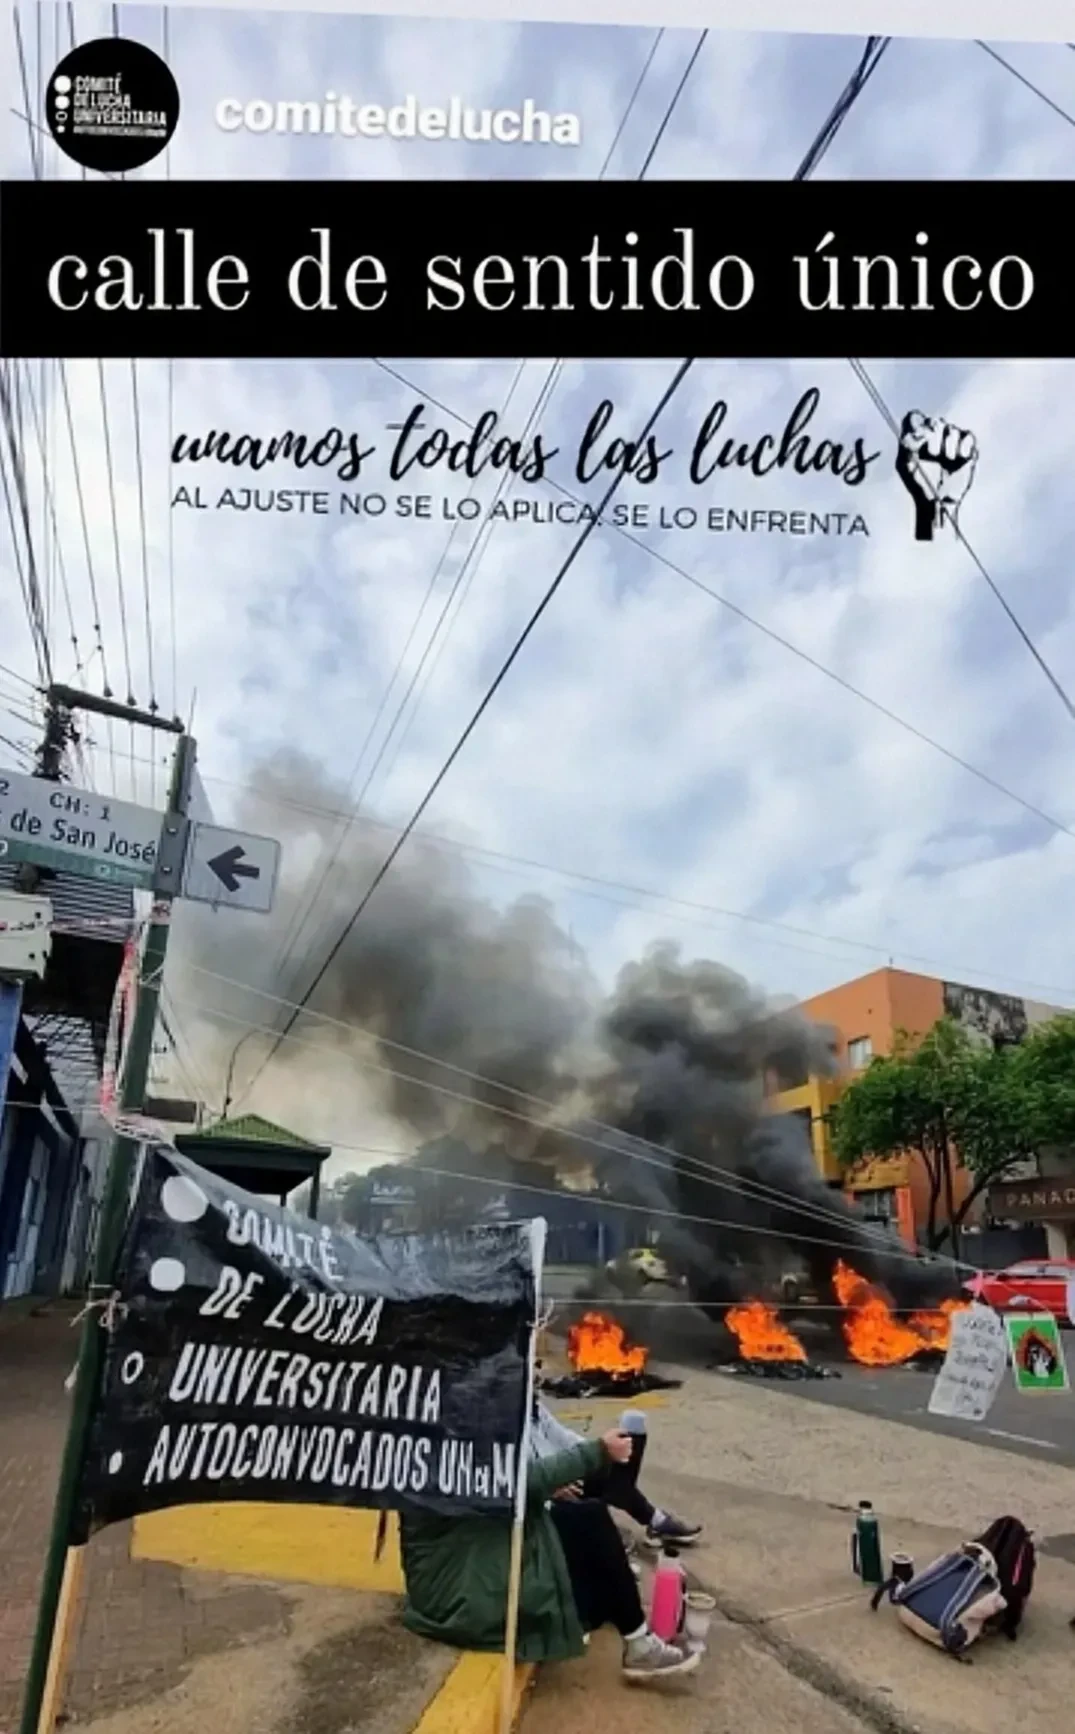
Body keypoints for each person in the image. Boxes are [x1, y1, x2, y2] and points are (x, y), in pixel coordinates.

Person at [399, 1428, 699, 1682]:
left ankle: (634, 1635)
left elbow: (502, 1483)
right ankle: (637, 1641)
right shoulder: (444, 1436)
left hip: (450, 1575)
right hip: (459, 1599)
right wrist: (596, 1452)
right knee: (584, 1525)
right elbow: (514, 1479)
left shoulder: (425, 1430)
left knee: (581, 1523)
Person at [531, 1399, 702, 1548]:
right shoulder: (509, 1418)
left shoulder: (534, 1406)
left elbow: (562, 1436)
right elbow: (522, 1472)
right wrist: (550, 1486)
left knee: (617, 1466)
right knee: (617, 1483)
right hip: (540, 1490)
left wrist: (599, 1451)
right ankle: (654, 1522)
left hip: (559, 1473)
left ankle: (652, 1521)